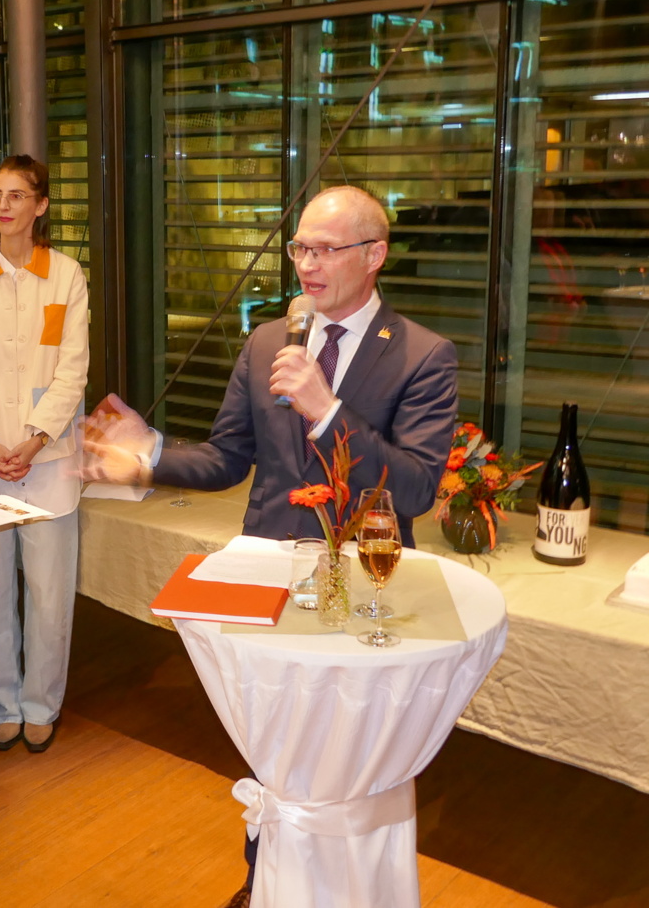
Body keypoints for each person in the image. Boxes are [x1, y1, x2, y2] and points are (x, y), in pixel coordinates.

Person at [81, 185, 459, 908]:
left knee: (348, 760)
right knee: (275, 754)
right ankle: (267, 883)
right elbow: (228, 458)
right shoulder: (265, 344)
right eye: (300, 248)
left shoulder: (423, 355)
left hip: (365, 588)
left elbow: (412, 490)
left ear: (374, 255)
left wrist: (327, 408)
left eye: (325, 249)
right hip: (269, 583)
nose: (306, 265)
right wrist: (148, 456)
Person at [0, 154, 90, 754]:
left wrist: (32, 440)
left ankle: (40, 704)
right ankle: (4, 703)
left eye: (16, 195)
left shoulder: (66, 276)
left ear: (41, 204)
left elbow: (72, 370)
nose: (3, 206)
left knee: (50, 595)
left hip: (47, 459)